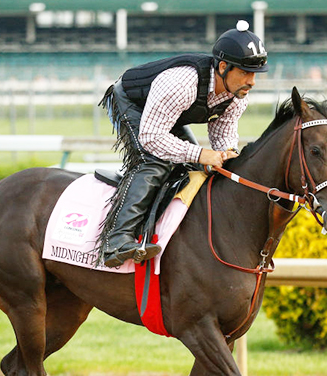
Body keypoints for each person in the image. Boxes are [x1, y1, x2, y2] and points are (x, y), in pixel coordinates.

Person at [98, 20, 268, 268]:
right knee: (154, 162)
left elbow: (223, 137)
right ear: (223, 67)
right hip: (133, 104)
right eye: (245, 72)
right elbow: (152, 137)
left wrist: (223, 157)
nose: (252, 81)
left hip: (167, 113)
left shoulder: (237, 96)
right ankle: (117, 240)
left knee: (197, 167)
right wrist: (201, 154)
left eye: (254, 74)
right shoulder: (183, 83)